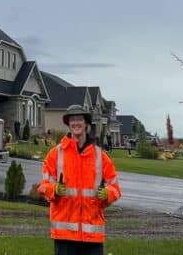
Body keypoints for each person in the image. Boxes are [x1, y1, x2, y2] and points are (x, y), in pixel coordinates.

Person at [38, 105, 121, 255]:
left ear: (86, 123)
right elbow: (43, 187)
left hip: (92, 233)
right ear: (68, 124)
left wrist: (108, 193)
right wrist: (54, 190)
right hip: (65, 234)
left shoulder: (100, 156)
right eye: (72, 120)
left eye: (79, 119)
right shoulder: (55, 154)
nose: (76, 123)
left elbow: (115, 187)